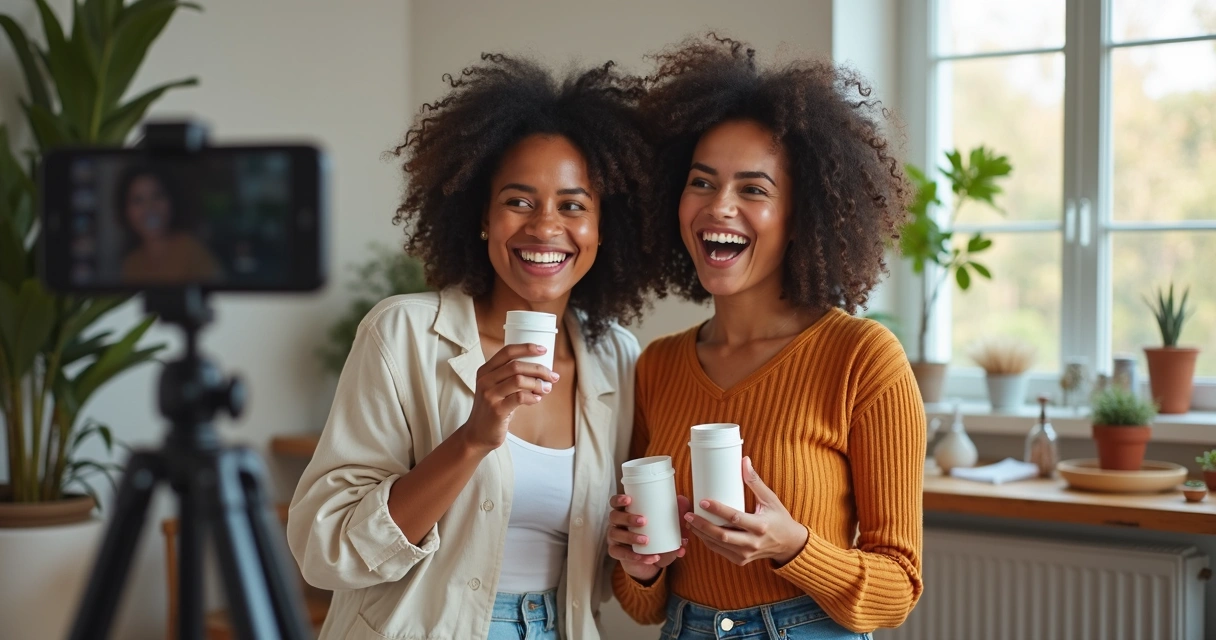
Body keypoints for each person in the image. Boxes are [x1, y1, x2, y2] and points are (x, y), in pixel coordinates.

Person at [288, 53, 663, 640]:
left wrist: (637, 562)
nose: (544, 227)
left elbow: (605, 571)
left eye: (573, 205)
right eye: (518, 201)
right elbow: (327, 549)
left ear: (601, 228)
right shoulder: (402, 334)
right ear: (482, 217)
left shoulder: (617, 355)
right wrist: (472, 439)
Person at [608, 35, 925, 639]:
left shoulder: (862, 358)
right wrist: (638, 564)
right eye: (701, 182)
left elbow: (897, 590)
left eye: (753, 189)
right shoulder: (658, 366)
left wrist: (795, 546)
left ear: (802, 216)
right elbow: (642, 607)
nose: (719, 206)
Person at [114, 164, 221, 283]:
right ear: (125, 210)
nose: (149, 208)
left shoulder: (191, 250)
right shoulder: (131, 263)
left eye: (157, 196)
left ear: (171, 200)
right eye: (138, 200)